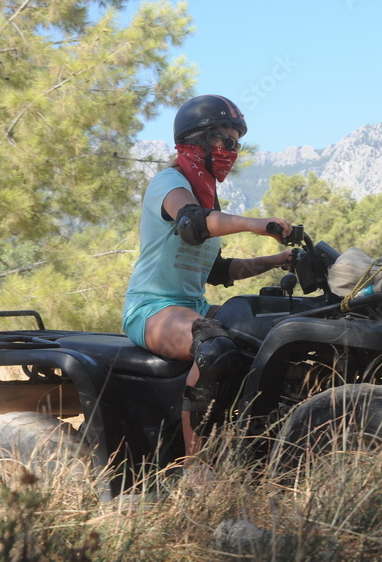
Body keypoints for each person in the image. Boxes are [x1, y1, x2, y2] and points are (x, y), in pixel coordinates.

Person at [122, 94, 294, 459]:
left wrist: (278, 259)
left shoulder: (208, 198)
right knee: (212, 347)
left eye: (236, 143)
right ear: (197, 140)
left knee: (263, 330)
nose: (231, 151)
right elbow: (192, 224)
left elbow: (217, 271)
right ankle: (196, 466)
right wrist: (257, 225)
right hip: (152, 309)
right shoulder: (169, 184)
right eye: (225, 140)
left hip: (192, 305)